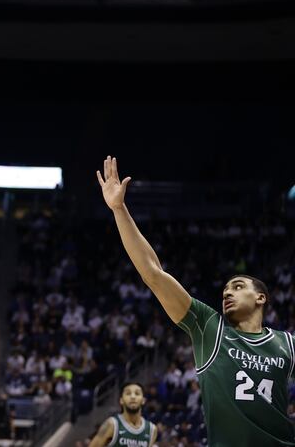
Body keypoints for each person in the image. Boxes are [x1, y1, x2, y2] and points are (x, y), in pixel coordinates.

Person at [97, 156, 295, 447]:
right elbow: (153, 273)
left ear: (261, 298)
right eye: (226, 289)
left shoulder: (287, 344)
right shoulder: (209, 327)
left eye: (238, 287)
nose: (227, 292)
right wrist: (119, 209)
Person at [88, 382, 157, 447]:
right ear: (121, 400)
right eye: (128, 393)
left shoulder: (151, 430)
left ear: (143, 400)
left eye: (137, 393)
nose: (133, 397)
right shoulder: (112, 424)